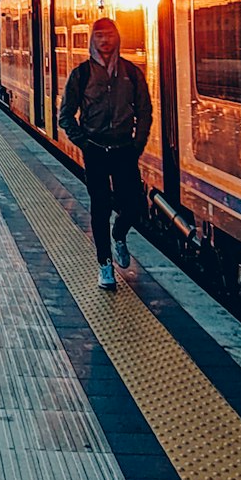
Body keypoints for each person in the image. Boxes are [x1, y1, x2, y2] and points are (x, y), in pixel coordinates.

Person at [58, 17, 151, 289]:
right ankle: (104, 265)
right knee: (100, 208)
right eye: (99, 36)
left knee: (134, 206)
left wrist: (138, 144)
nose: (104, 40)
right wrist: (84, 143)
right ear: (92, 40)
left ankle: (119, 234)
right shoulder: (81, 74)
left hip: (124, 149)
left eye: (109, 35)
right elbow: (66, 116)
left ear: (117, 38)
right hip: (96, 150)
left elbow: (144, 111)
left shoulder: (131, 73)